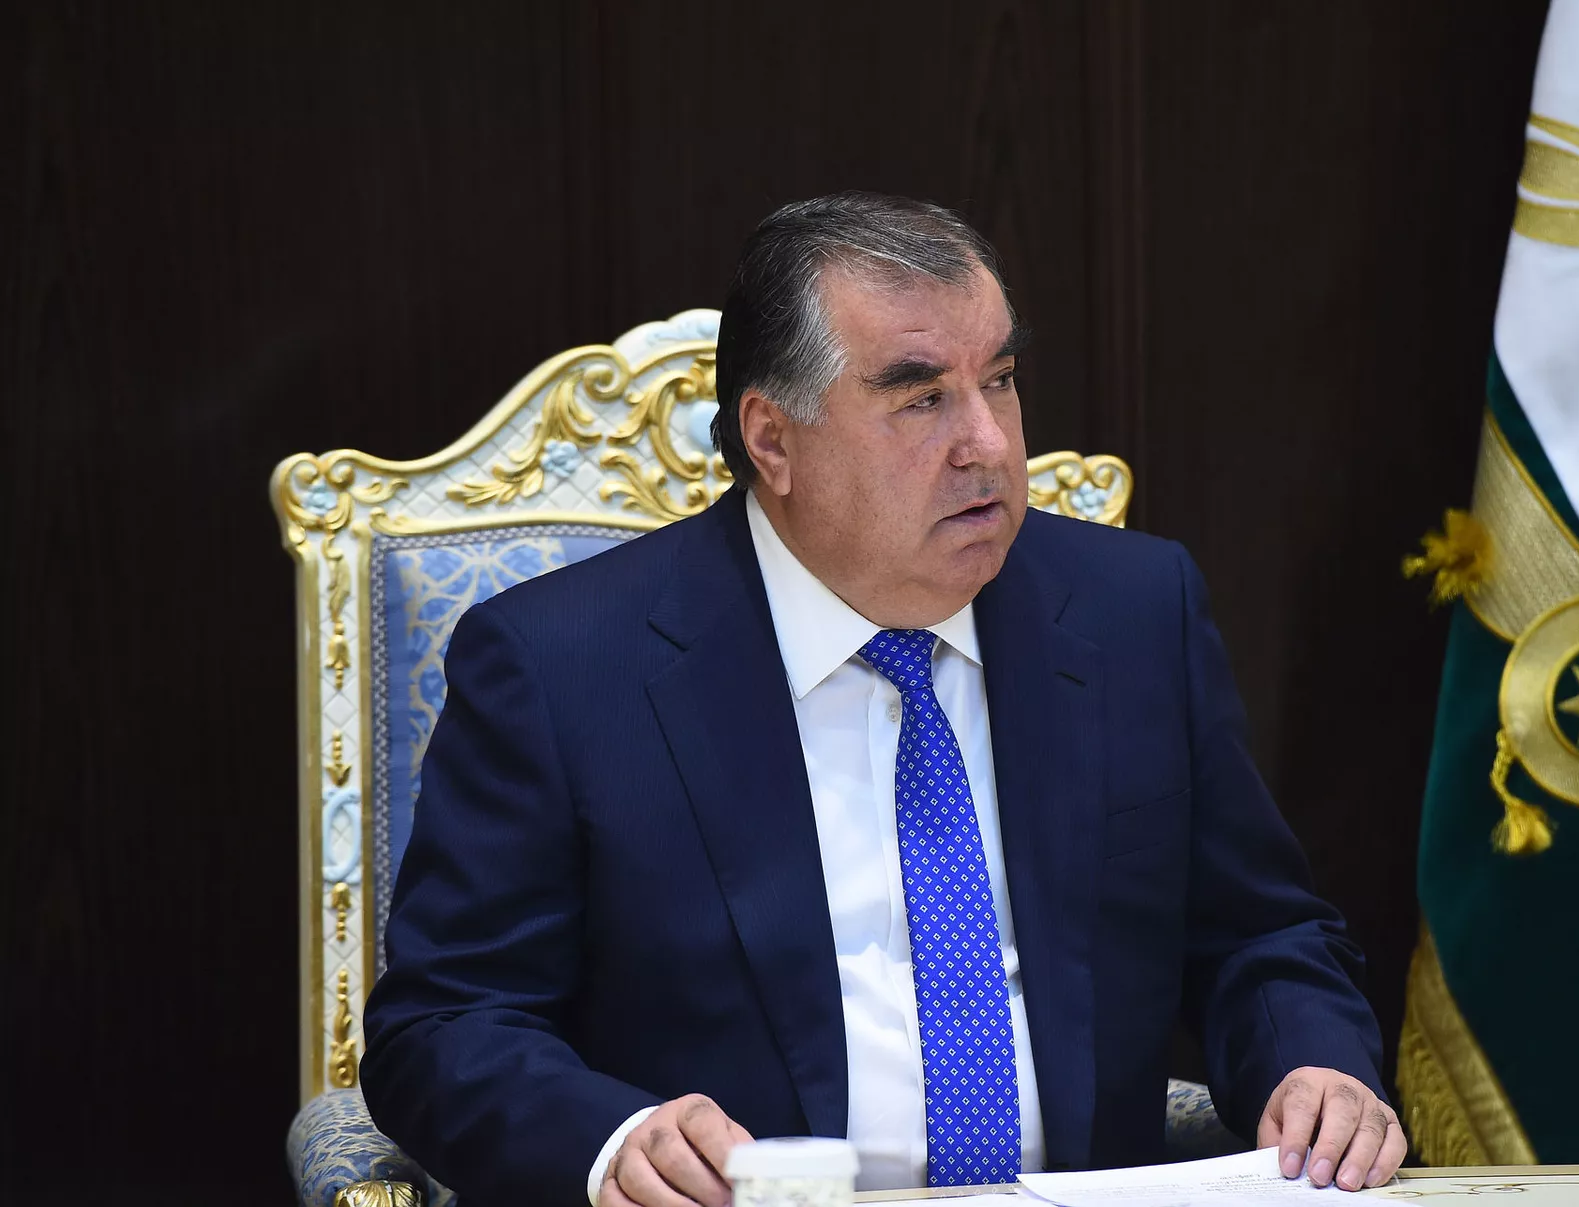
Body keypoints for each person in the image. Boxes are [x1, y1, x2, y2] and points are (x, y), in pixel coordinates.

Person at [362, 192, 1404, 1207]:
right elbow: (444, 1023)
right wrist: (615, 1140)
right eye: (920, 398)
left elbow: (1261, 936)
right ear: (773, 442)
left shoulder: (1133, 613)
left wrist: (1314, 1066)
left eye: (999, 380)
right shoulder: (562, 667)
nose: (989, 443)